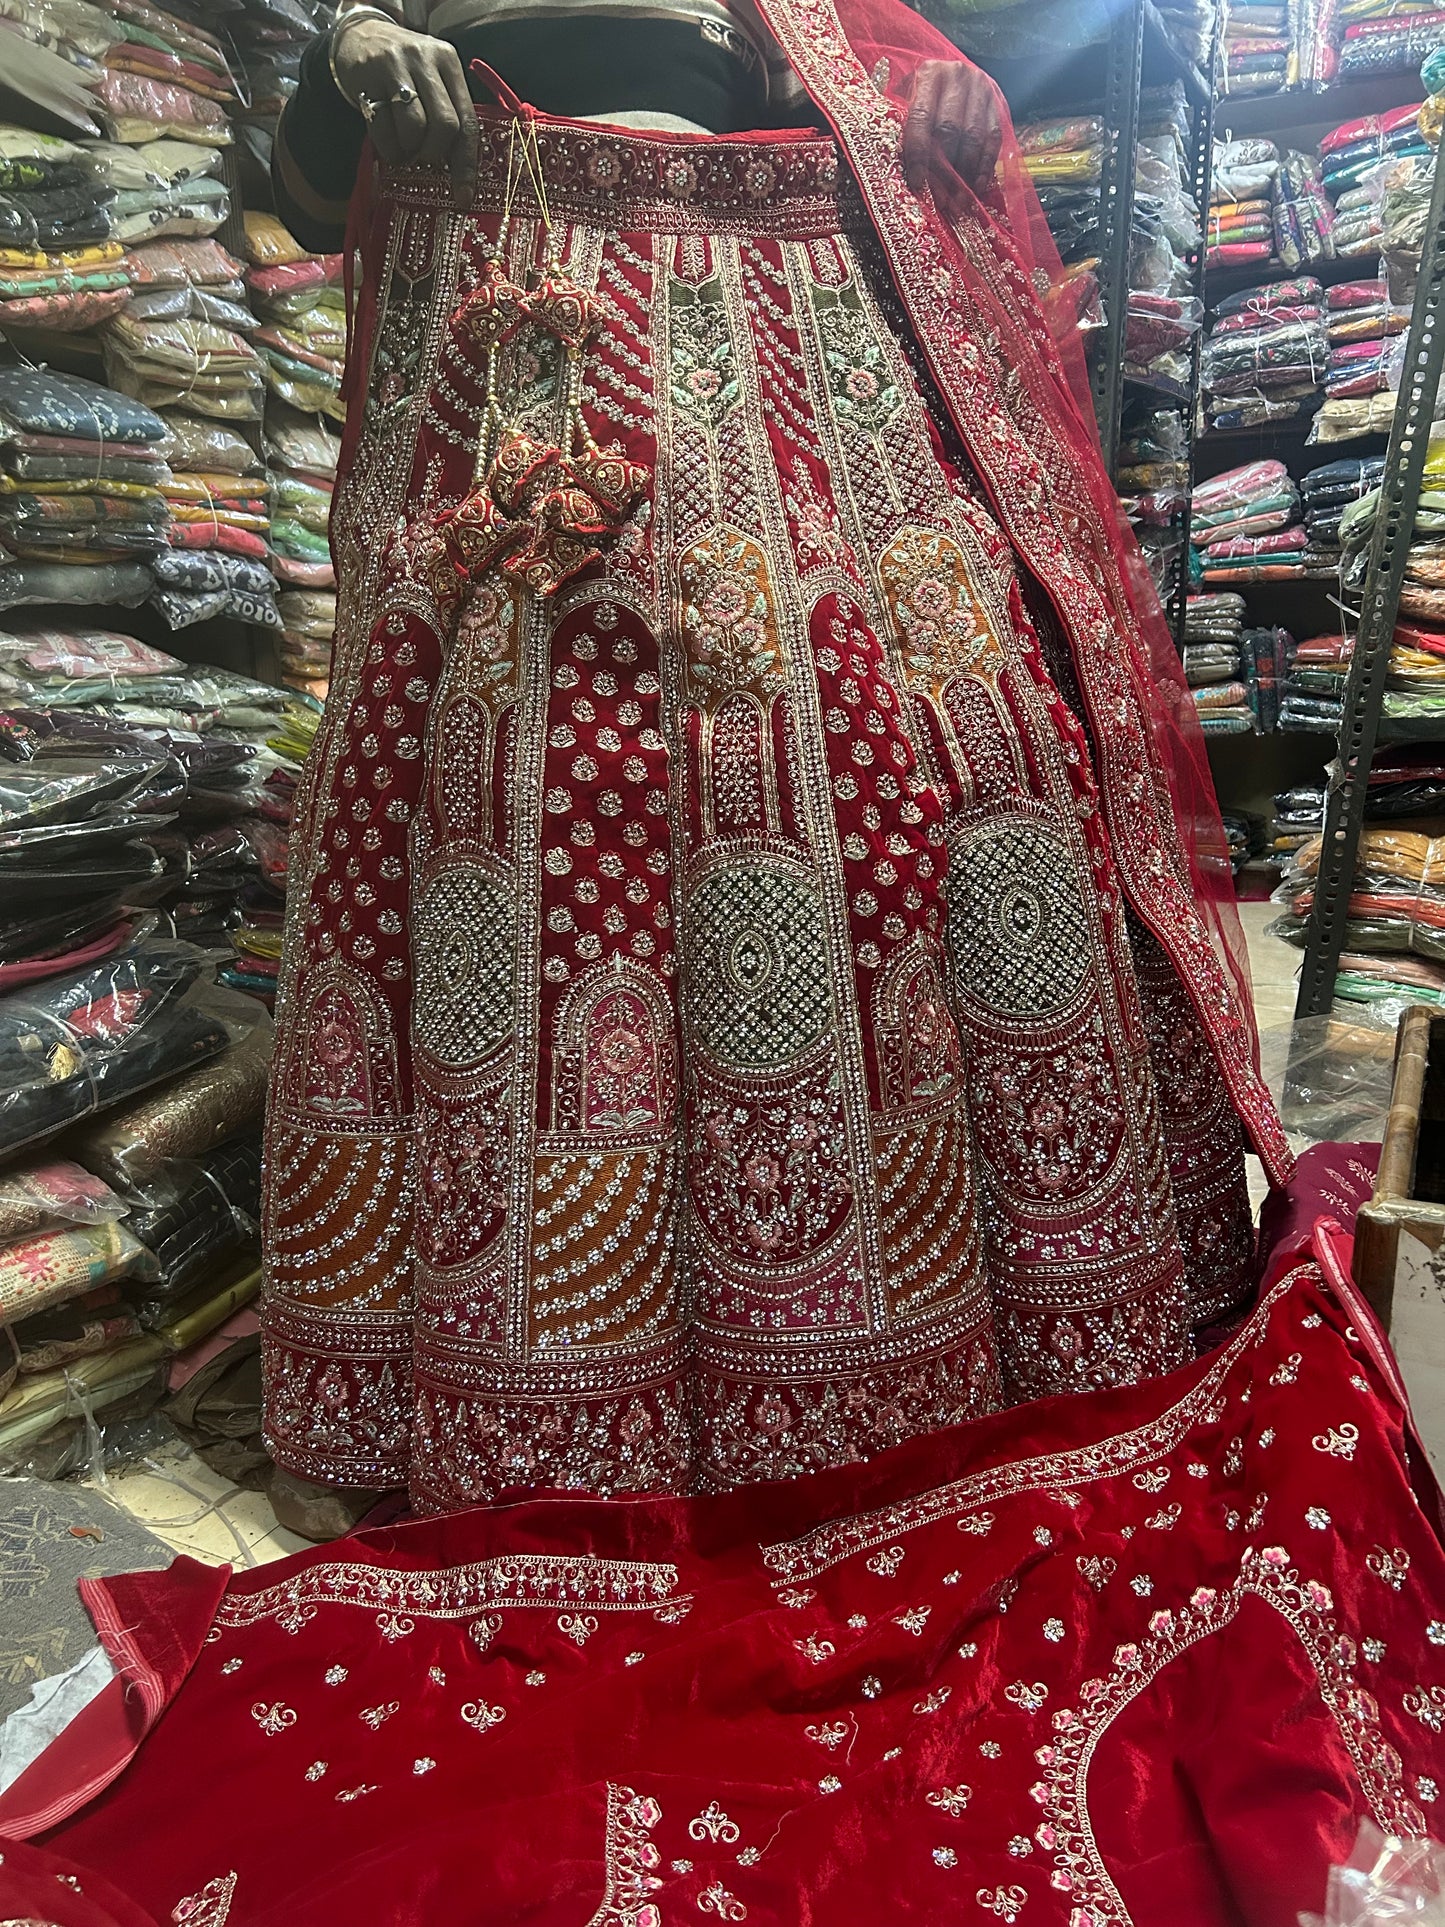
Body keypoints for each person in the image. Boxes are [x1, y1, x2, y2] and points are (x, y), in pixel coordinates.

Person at [261, 0, 1292, 1517]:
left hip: (785, 381)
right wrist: (345, 55)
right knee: (517, 810)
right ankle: (501, 1374)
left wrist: (926, 102)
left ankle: (930, 1343)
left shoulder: (773, 9)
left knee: (921, 762)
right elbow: (302, 191)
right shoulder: (398, 14)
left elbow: (869, 119)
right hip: (516, 361)